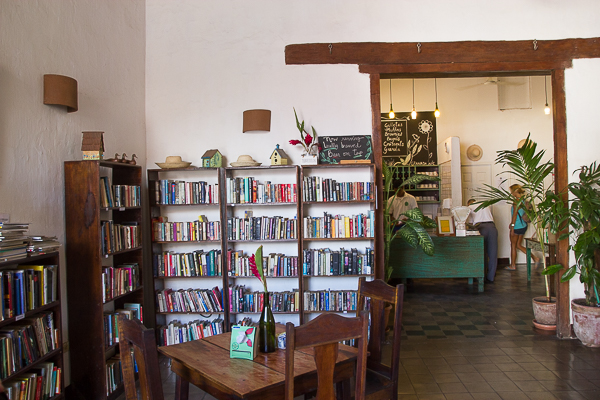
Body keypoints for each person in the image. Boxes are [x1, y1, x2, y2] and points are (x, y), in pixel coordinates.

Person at [508, 184, 539, 270]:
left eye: (511, 192)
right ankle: (535, 258)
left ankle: (513, 265)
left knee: (513, 245)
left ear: (514, 192)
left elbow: (514, 215)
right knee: (518, 245)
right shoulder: (524, 200)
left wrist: (512, 227)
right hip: (523, 226)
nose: (511, 194)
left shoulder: (516, 202)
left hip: (517, 226)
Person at [467, 199, 498, 283]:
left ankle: (480, 276)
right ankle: (491, 277)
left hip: (480, 228)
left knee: (480, 253)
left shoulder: (470, 207)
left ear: (469, 203)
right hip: (492, 227)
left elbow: (470, 224)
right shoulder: (485, 204)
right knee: (492, 253)